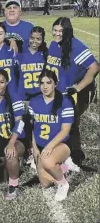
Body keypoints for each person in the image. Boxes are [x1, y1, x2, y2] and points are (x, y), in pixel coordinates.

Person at [47, 17, 100, 166]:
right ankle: (65, 151)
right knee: (60, 120)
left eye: (60, 31)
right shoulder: (53, 45)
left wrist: (78, 87)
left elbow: (95, 67)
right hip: (62, 91)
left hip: (80, 92)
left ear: (67, 32)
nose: (57, 34)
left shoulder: (76, 46)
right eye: (55, 30)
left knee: (70, 121)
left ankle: (76, 155)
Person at [29, 69, 75, 201]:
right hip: (41, 145)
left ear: (55, 84)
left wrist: (49, 147)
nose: (45, 86)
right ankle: (63, 167)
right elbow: (32, 127)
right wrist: (34, 148)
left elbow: (65, 131)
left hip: (60, 144)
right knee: (45, 183)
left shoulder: (65, 102)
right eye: (42, 83)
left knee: (48, 162)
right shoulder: (34, 102)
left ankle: (63, 185)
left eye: (48, 83)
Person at [0, 69, 25, 200]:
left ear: (7, 83)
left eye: (1, 82)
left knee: (11, 153)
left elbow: (20, 123)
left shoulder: (14, 97)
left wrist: (12, 143)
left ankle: (13, 186)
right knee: (4, 168)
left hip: (16, 139)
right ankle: (3, 165)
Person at [16, 26, 49, 165]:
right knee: (23, 124)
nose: (35, 41)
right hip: (23, 95)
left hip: (37, 95)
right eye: (33, 38)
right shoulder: (20, 51)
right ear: (28, 37)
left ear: (42, 40)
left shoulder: (44, 54)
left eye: (38, 39)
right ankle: (29, 149)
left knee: (37, 123)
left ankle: (40, 149)